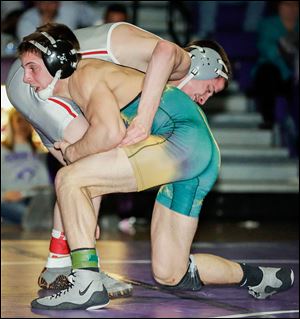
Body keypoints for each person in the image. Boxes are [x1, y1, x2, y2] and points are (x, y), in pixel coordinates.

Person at [18, 24, 294, 310]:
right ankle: (259, 276)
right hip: (202, 155)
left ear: (56, 62)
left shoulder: (84, 74)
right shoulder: (101, 79)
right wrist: (82, 215)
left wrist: (74, 153)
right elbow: (96, 152)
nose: (27, 78)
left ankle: (86, 281)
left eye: (32, 68)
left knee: (69, 179)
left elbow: (108, 135)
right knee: (171, 273)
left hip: (182, 138)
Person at [5, 20, 198, 296]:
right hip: (41, 76)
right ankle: (83, 271)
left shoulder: (136, 64)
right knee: (94, 161)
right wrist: (144, 118)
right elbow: (166, 51)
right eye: (211, 89)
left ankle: (58, 264)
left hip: (39, 77)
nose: (203, 99)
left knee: (81, 174)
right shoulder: (175, 59)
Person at [252, 0, 299, 129]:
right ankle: (268, 119)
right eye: (288, 4)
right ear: (279, 6)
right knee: (267, 72)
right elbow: (267, 50)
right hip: (274, 73)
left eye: (296, 5)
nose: (292, 9)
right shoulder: (268, 24)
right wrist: (284, 45)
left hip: (295, 74)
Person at [1, 108, 52, 226]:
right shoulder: (2, 150)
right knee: (21, 212)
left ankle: (35, 219)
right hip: (9, 200)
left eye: (27, 121)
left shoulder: (38, 151)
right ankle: (37, 220)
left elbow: (45, 182)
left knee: (38, 208)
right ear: (11, 123)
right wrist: (4, 195)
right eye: (19, 120)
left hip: (34, 198)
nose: (23, 124)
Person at [16, 1, 100, 41]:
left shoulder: (71, 8)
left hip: (73, 48)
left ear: (58, 3)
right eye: (43, 3)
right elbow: (28, 47)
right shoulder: (26, 20)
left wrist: (94, 35)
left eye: (51, 2)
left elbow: (97, 19)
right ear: (36, 4)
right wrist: (44, 28)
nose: (47, 6)